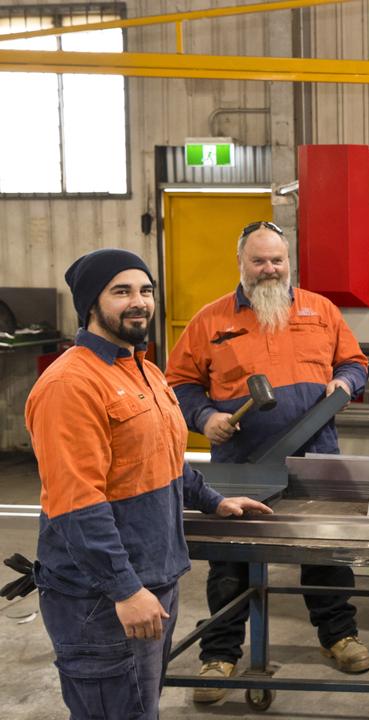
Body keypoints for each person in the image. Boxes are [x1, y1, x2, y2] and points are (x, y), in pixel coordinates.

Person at [26, 249, 271, 720]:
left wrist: (212, 501)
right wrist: (124, 590)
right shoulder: (70, 384)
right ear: (90, 305)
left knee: (141, 707)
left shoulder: (145, 370)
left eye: (145, 291)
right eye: (121, 292)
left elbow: (164, 460)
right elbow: (76, 504)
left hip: (153, 581)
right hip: (100, 597)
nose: (138, 302)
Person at [166, 221, 369, 702]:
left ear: (289, 263)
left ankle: (338, 636)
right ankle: (220, 653)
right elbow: (178, 384)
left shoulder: (319, 310)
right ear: (240, 263)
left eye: (277, 260)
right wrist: (205, 414)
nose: (269, 269)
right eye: (258, 261)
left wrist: (344, 384)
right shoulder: (209, 320)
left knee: (324, 552)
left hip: (316, 457)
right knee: (233, 562)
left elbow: (355, 362)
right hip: (241, 463)